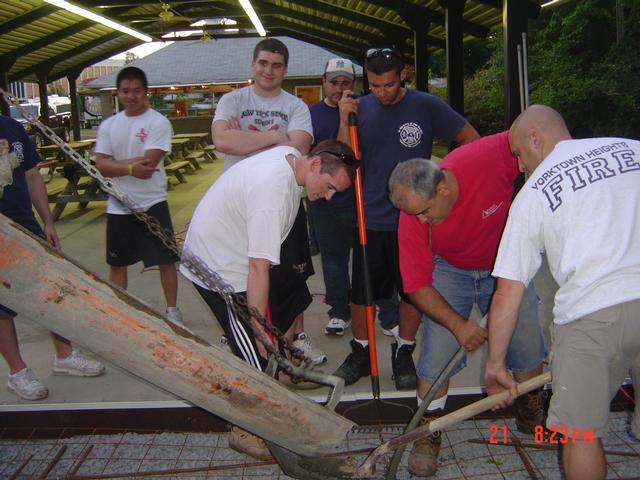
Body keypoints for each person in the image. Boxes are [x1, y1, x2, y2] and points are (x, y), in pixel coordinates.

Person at [484, 105, 640, 480]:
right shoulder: (631, 150)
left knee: (581, 435)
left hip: (593, 318)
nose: (519, 166)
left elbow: (508, 290)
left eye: (519, 154)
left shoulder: (533, 193)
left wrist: (495, 365)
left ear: (535, 138)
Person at [180, 139, 357, 460]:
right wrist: (259, 330)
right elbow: (258, 267)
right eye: (330, 187)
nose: (328, 197)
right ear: (316, 164)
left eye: (335, 193)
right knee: (254, 353)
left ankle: (269, 387)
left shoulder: (289, 160)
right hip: (217, 266)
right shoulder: (272, 194)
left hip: (234, 251)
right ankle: (246, 431)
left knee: (268, 337)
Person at [388, 132, 547, 476]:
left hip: (507, 260)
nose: (421, 222)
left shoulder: (487, 157)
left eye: (426, 213)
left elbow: (534, 130)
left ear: (443, 189)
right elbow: (416, 286)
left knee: (526, 342)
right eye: (415, 215)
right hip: (450, 268)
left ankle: (531, 407)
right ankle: (428, 431)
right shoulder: (412, 214)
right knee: (436, 354)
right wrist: (458, 326)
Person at [333, 47, 480, 391]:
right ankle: (361, 350)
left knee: (412, 291)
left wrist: (443, 181)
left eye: (388, 84)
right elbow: (343, 159)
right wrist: (344, 120)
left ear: (403, 75)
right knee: (362, 293)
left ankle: (404, 351)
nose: (381, 93)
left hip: (415, 218)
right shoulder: (358, 108)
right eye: (374, 85)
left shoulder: (425, 105)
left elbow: (470, 140)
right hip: (370, 216)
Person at [212, 38, 324, 364]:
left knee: (293, 275)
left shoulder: (296, 106)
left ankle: (298, 338)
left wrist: (243, 139)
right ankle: (232, 333)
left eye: (276, 65)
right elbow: (221, 140)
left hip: (282, 202)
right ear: (253, 65)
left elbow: (299, 147)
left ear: (285, 69)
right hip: (239, 205)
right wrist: (277, 137)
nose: (268, 70)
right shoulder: (233, 99)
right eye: (263, 63)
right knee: (238, 272)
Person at [0, 114, 105, 401]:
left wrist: (47, 220)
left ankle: (65, 355)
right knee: (1, 305)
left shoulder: (12, 126)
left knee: (50, 288)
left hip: (24, 220)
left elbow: (33, 176)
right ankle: (18, 372)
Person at [308, 58, 400, 339]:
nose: (339, 88)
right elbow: (337, 156)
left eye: (345, 82)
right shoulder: (310, 115)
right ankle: (339, 311)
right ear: (323, 82)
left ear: (355, 84)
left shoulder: (369, 108)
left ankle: (388, 311)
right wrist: (342, 118)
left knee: (374, 258)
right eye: (333, 82)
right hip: (327, 203)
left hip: (365, 199)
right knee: (334, 260)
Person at [94, 66, 182, 325]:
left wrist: (116, 164)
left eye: (136, 91)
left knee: (166, 260)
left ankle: (173, 310)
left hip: (153, 202)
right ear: (118, 93)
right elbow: (100, 165)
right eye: (125, 91)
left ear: (146, 92)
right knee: (117, 264)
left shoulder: (158, 122)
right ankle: (118, 311)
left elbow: (149, 163)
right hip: (119, 205)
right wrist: (130, 167)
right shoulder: (109, 125)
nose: (131, 96)